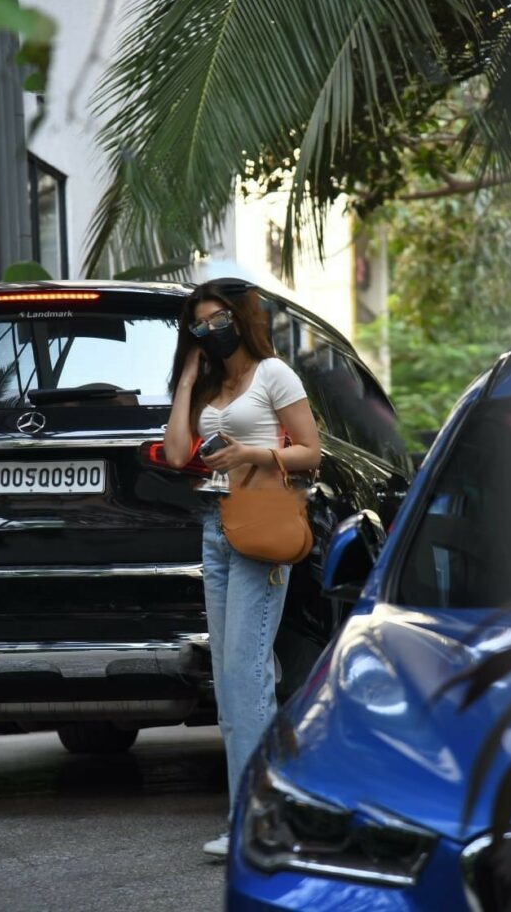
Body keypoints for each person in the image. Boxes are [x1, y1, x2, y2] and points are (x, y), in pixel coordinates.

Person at [164, 278, 321, 858]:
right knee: (229, 682)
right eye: (198, 325)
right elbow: (179, 453)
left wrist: (253, 453)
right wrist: (185, 379)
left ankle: (263, 823)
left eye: (217, 320)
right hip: (216, 528)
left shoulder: (274, 374)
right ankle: (248, 818)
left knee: (248, 675)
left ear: (240, 317)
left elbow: (311, 450)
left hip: (261, 526)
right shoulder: (206, 383)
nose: (209, 331)